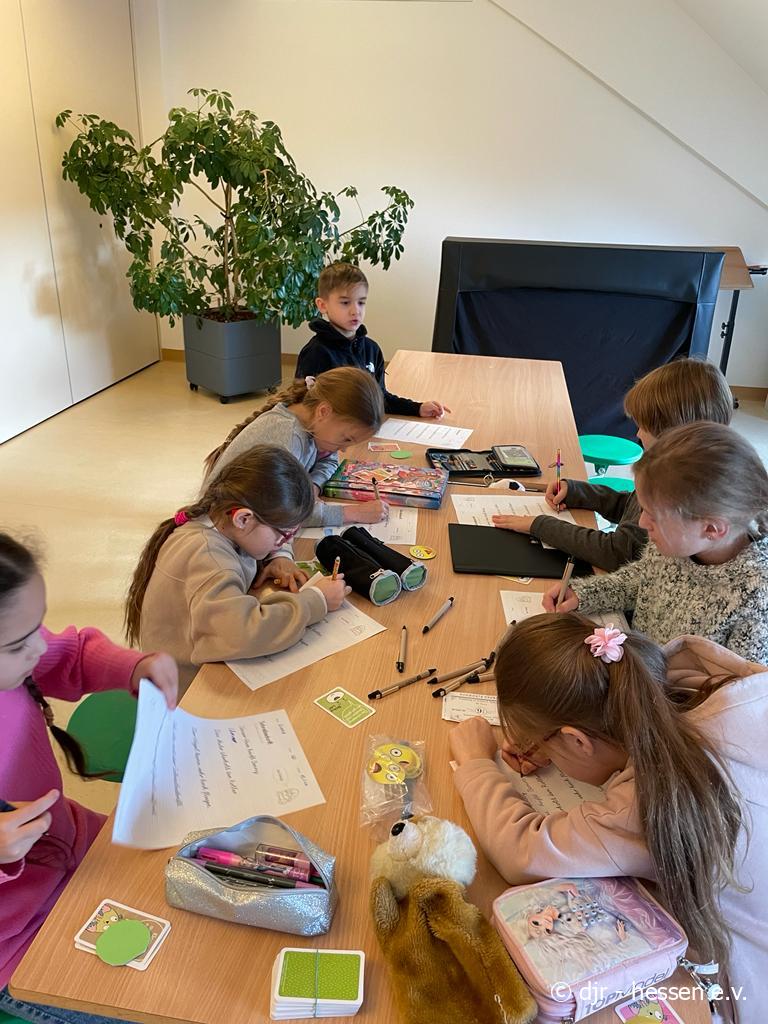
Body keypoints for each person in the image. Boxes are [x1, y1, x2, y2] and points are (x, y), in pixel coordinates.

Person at [448, 613, 766, 1021]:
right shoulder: (690, 679)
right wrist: (552, 742)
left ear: (577, 740)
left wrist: (475, 762)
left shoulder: (652, 798)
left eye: (540, 739)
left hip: (740, 984)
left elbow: (520, 851)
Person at [0, 532, 178, 1024]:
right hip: (17, 941)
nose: (38, 646)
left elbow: (65, 654)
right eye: (18, 644)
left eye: (37, 626)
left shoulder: (18, 653)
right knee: (151, 1005)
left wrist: (134, 666)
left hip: (75, 846)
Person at [126, 445, 350, 689]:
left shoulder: (217, 525)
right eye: (283, 535)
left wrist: (271, 559)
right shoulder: (210, 559)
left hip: (186, 672)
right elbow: (244, 634)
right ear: (243, 518)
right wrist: (317, 600)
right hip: (186, 691)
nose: (282, 543)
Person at [542, 422, 768, 663]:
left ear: (712, 529)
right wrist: (583, 594)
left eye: (653, 516)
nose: (641, 522)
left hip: (660, 683)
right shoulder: (677, 542)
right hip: (639, 664)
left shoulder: (756, 599)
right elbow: (644, 578)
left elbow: (736, 684)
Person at [492, 357, 734, 571]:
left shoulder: (680, 491)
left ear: (671, 434)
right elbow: (629, 507)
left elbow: (617, 552)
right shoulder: (676, 470)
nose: (638, 433)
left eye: (644, 427)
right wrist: (577, 491)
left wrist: (540, 525)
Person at [203, 369, 387, 591]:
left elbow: (329, 459)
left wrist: (312, 486)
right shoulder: (287, 436)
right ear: (323, 411)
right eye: (346, 439)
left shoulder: (313, 426)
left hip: (252, 535)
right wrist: (352, 513)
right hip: (225, 545)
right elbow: (283, 512)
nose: (345, 448)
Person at [295, 262, 450, 418]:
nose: (355, 311)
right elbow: (305, 409)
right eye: (345, 303)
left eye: (361, 302)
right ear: (322, 305)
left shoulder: (372, 349)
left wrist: (417, 408)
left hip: (367, 428)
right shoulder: (316, 353)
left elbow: (380, 398)